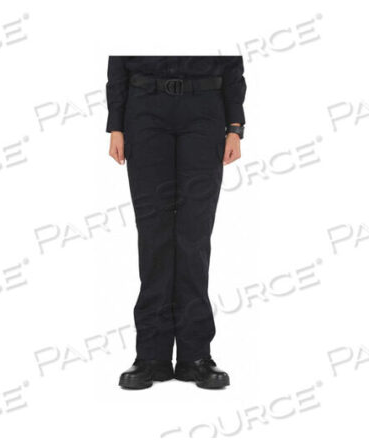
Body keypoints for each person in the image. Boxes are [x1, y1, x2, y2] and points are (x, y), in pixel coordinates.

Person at [105, 56, 246, 389]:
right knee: (153, 236)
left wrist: (235, 127)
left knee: (194, 237)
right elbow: (117, 59)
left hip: (205, 109)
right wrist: (116, 125)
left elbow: (233, 61)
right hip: (144, 108)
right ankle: (151, 356)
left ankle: (195, 356)